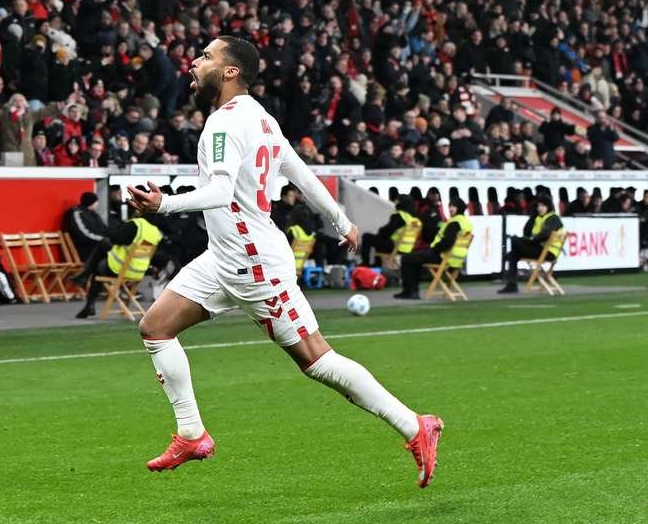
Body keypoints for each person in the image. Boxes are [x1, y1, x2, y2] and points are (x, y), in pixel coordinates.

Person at [126, 36, 442, 485]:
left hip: (254, 263)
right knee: (155, 327)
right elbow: (298, 169)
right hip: (223, 256)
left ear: (230, 71)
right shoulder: (260, 117)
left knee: (316, 360)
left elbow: (218, 192)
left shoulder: (223, 125)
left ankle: (416, 425)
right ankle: (192, 434)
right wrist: (339, 218)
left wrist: (163, 205)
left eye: (206, 57)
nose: (195, 63)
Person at [69, 209, 163, 319]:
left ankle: (86, 289)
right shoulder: (156, 232)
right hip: (138, 272)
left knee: (99, 262)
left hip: (120, 268)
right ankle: (83, 277)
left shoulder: (136, 224)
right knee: (102, 251)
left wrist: (117, 228)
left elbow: (116, 239)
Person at [394, 198, 473, 299]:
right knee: (417, 258)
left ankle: (409, 291)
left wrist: (434, 249)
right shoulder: (466, 223)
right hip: (456, 259)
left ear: (459, 208)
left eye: (453, 206)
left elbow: (447, 243)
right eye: (449, 206)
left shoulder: (455, 223)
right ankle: (412, 291)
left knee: (407, 259)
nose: (450, 208)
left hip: (443, 256)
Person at [498, 195, 564, 294]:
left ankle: (511, 283)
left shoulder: (553, 218)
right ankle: (511, 284)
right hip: (541, 249)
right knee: (513, 253)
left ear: (549, 206)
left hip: (548, 252)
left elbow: (545, 234)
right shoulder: (539, 218)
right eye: (538, 206)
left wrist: (530, 241)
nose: (539, 208)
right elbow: (526, 231)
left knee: (515, 242)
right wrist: (533, 216)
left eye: (542, 206)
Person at [358, 195, 420, 266]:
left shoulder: (400, 216)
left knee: (367, 237)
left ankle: (365, 264)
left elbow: (387, 232)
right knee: (381, 241)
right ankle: (377, 264)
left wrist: (381, 230)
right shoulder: (416, 221)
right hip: (407, 250)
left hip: (395, 248)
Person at [62, 192, 108, 261]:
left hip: (96, 248)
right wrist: (103, 239)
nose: (98, 204)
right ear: (92, 202)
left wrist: (111, 238)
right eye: (97, 201)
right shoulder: (76, 213)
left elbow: (105, 230)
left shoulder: (94, 215)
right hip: (84, 250)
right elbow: (84, 234)